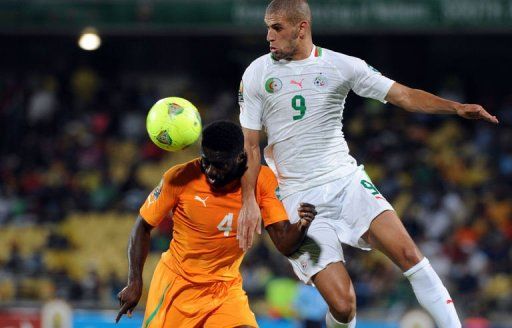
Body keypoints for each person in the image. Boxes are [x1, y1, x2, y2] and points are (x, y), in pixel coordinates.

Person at [236, 1, 499, 328]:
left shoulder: (342, 66)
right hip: (296, 197)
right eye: (267, 27)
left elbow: (403, 95)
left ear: (301, 27)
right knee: (344, 307)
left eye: (276, 28)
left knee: (410, 257)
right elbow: (250, 145)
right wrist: (249, 200)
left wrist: (456, 108)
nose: (268, 36)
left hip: (346, 182)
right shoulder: (257, 73)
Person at [116, 120, 317, 327]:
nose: (211, 171)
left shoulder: (262, 180)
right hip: (177, 287)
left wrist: (302, 224)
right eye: (206, 161)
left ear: (240, 157)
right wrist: (135, 281)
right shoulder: (179, 178)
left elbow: (284, 243)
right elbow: (143, 225)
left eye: (219, 164)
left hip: (225, 289)